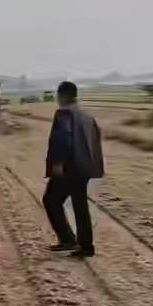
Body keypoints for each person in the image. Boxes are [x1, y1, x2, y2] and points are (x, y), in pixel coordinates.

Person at [43, 80, 104, 258]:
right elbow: (95, 141)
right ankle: (86, 246)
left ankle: (68, 239)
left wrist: (57, 164)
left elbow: (63, 139)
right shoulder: (87, 115)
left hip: (68, 167)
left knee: (50, 200)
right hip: (84, 168)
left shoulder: (64, 114)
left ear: (62, 96)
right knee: (80, 204)